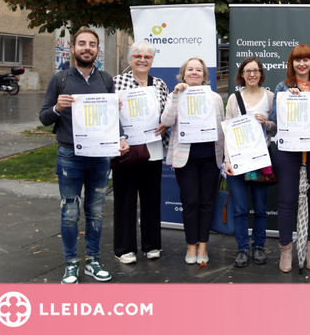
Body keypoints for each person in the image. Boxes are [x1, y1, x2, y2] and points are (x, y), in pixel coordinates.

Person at [39, 27, 130, 284]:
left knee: (96, 211)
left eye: (92, 44)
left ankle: (93, 260)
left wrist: (120, 136)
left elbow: (114, 118)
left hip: (100, 155)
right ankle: (70, 264)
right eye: (82, 43)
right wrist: (57, 107)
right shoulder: (59, 79)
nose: (87, 48)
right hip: (70, 154)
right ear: (73, 48)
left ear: (97, 50)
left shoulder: (106, 79)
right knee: (70, 211)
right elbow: (44, 117)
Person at [271, 44, 310, 272]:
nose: (302, 64)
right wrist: (287, 99)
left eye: (306, 59)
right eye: (297, 60)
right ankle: (286, 251)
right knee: (287, 202)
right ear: (292, 64)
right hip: (288, 153)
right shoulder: (282, 87)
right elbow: (275, 118)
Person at [161, 57, 224, 265]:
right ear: (183, 73)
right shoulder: (176, 95)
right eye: (190, 69)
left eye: (199, 69)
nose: (194, 72)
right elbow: (166, 122)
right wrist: (176, 96)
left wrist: (224, 158)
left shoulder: (214, 98)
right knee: (190, 203)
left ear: (204, 75)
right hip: (185, 159)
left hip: (210, 159)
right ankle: (190, 246)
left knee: (207, 203)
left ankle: (203, 246)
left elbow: (221, 129)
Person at [112, 41, 169, 264]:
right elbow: (108, 115)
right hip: (126, 150)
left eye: (147, 57)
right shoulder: (117, 82)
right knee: (125, 200)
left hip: (153, 150)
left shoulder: (160, 84)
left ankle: (152, 245)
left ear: (152, 61)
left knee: (152, 199)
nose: (142, 60)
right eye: (138, 56)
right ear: (130, 59)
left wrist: (166, 123)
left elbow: (167, 112)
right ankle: (124, 248)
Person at [224, 57, 275, 268]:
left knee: (261, 208)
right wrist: (227, 160)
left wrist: (268, 122)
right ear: (242, 74)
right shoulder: (234, 99)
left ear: (261, 73)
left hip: (261, 159)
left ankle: (259, 246)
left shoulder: (271, 97)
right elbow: (227, 131)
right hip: (237, 159)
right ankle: (243, 249)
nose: (252, 74)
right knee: (240, 208)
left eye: (256, 70)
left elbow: (278, 126)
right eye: (247, 71)